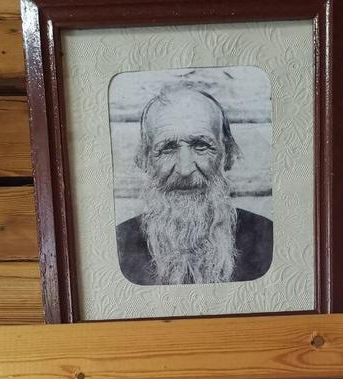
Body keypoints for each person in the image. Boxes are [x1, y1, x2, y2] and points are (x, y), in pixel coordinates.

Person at [116, 86, 273, 286]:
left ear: (227, 155)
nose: (184, 169)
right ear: (145, 159)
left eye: (201, 145)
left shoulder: (267, 237)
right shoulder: (119, 244)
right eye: (167, 148)